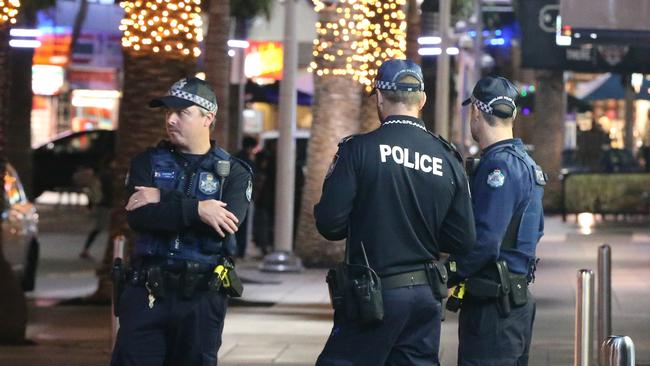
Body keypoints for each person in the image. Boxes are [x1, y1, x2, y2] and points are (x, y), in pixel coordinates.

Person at [314, 59, 476, 365]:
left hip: (374, 296)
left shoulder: (358, 150)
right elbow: (463, 238)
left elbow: (330, 224)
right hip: (426, 297)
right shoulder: (448, 157)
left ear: (379, 97)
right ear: (422, 100)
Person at [111, 76, 253, 366]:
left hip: (201, 298)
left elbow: (225, 224)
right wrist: (198, 210)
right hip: (146, 294)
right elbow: (139, 217)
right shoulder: (146, 163)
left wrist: (161, 196)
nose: (171, 119)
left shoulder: (234, 173)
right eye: (167, 112)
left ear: (207, 118)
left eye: (182, 112)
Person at [448, 76, 546, 365]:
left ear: (476, 113)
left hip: (493, 307)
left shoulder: (498, 166)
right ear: (512, 114)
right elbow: (535, 230)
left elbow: (486, 240)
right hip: (514, 302)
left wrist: (448, 273)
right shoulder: (527, 163)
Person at [79, 159, 113, 259]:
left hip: (102, 205)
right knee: (99, 228)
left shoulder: (101, 176)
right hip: (104, 206)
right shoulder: (106, 176)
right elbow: (105, 192)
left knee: (99, 228)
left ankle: (86, 250)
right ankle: (86, 250)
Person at [234, 136, 258, 258]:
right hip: (246, 195)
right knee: (244, 224)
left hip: (234, 194)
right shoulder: (248, 161)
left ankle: (235, 249)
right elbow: (254, 176)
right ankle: (241, 251)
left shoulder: (235, 158)